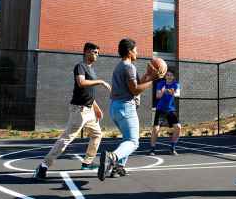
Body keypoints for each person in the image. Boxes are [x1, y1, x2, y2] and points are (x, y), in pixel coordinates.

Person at [34, 42, 111, 180]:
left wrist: (97, 108)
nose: (97, 55)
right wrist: (100, 82)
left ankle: (87, 162)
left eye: (98, 53)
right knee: (66, 140)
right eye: (94, 52)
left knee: (97, 134)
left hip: (89, 111)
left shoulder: (92, 70)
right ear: (86, 52)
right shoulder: (80, 66)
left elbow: (88, 93)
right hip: (79, 111)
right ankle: (43, 166)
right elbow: (81, 83)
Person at [97, 38, 160, 181]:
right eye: (136, 50)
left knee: (127, 139)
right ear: (130, 51)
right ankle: (111, 157)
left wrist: (148, 75)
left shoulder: (121, 66)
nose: (137, 52)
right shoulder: (129, 67)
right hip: (125, 107)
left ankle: (118, 168)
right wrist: (153, 80)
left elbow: (136, 83)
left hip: (116, 107)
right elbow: (135, 90)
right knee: (133, 141)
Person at [148, 69, 181, 155]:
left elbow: (177, 94)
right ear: (165, 76)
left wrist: (172, 92)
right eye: (167, 75)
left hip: (170, 110)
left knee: (178, 127)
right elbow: (158, 96)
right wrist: (163, 91)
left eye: (170, 75)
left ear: (173, 77)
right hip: (160, 109)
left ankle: (172, 148)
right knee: (156, 129)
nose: (169, 76)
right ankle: (152, 149)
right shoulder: (160, 84)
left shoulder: (176, 84)